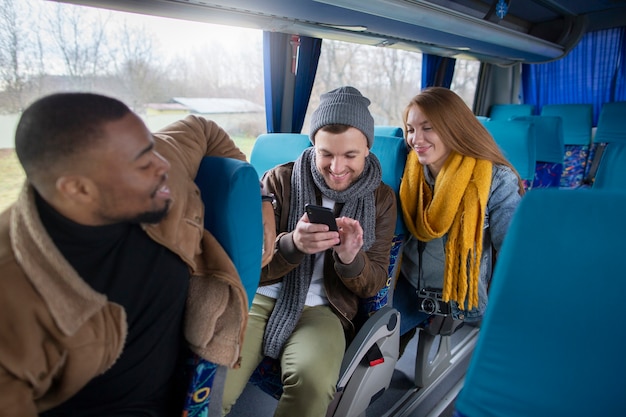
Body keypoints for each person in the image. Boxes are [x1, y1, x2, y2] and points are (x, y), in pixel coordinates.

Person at [0, 92, 276, 416]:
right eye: (145, 163)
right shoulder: (12, 293)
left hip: (184, 388)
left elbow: (203, 129)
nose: (163, 164)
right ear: (78, 189)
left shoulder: (156, 165)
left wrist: (261, 199)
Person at [221, 86, 397, 417]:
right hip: (261, 297)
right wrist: (292, 245)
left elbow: (374, 284)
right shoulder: (279, 180)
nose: (337, 167)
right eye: (326, 153)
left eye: (350, 156)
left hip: (327, 309)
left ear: (368, 151)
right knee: (217, 377)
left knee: (313, 383)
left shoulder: (382, 200)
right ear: (313, 146)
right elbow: (248, 265)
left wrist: (350, 259)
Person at [394, 87, 524, 345]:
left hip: (458, 294)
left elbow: (512, 250)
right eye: (410, 129)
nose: (416, 139)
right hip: (408, 283)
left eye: (427, 128)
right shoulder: (406, 170)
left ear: (453, 127)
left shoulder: (495, 179)